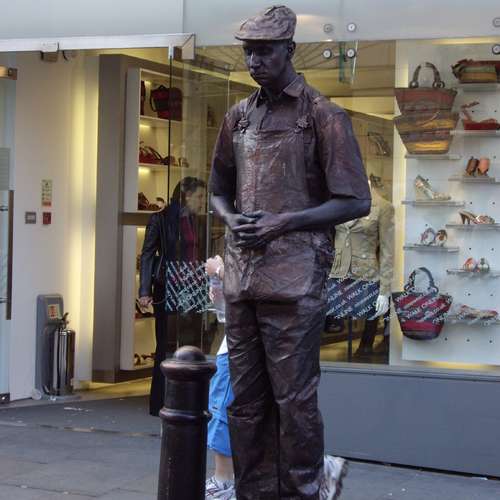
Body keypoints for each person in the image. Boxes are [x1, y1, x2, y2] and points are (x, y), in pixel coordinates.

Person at [209, 5, 371, 499]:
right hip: (243, 279)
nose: (254, 61)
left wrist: (285, 221)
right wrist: (230, 218)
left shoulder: (323, 115)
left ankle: (303, 491)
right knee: (245, 402)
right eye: (248, 52)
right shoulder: (238, 117)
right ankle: (253, 491)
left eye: (265, 51)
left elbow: (355, 200)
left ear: (289, 50)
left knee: (294, 401)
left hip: (296, 279)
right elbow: (218, 188)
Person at [138, 176, 206, 416]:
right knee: (166, 344)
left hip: (192, 287)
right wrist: (144, 290)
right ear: (186, 196)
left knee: (189, 342)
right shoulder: (161, 219)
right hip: (168, 287)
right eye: (199, 197)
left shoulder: (196, 221)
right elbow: (148, 254)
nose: (202, 202)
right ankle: (160, 401)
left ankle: (185, 398)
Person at [204, 255, 236, 500]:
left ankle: (223, 481)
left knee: (221, 407)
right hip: (254, 342)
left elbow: (254, 283)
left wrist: (220, 271)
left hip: (241, 344)